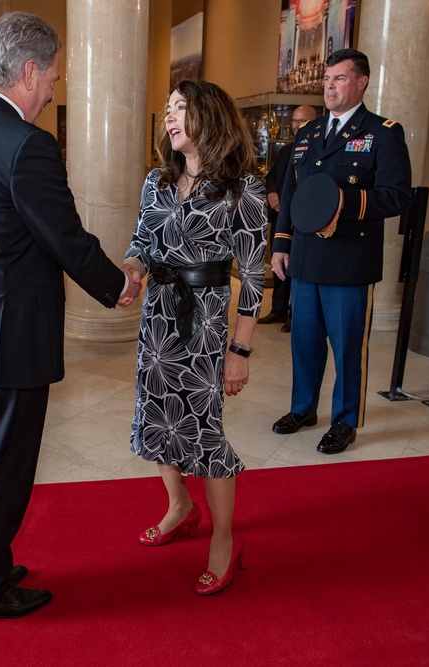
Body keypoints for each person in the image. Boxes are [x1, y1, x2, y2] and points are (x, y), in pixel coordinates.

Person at [0, 12, 141, 623]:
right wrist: (117, 284)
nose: (52, 89)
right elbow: (66, 240)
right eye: (51, 77)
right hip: (6, 343)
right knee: (2, 469)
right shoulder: (27, 144)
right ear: (27, 70)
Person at [122, 79, 267, 596]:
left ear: (209, 115)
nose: (170, 116)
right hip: (157, 317)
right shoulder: (156, 181)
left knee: (203, 430)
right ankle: (180, 506)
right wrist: (132, 272)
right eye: (167, 109)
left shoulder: (242, 187)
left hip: (204, 320)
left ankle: (225, 540)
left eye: (180, 107)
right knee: (159, 416)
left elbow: (253, 275)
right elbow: (141, 240)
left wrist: (240, 349)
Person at [270, 49, 412, 454]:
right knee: (305, 341)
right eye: (327, 79)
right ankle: (303, 408)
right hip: (307, 260)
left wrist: (341, 204)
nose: (330, 86)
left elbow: (397, 197)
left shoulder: (383, 133)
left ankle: (346, 420)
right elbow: (294, 194)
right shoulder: (308, 135)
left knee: (348, 346)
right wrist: (282, 244)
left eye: (339, 79)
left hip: (350, 260)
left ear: (361, 82)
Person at [257, 105, 317, 332]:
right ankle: (278, 309)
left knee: (296, 267)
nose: (296, 126)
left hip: (302, 221)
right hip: (280, 217)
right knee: (278, 263)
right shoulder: (285, 151)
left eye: (302, 121)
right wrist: (271, 194)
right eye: (294, 121)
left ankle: (295, 313)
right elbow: (272, 175)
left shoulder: (316, 152)